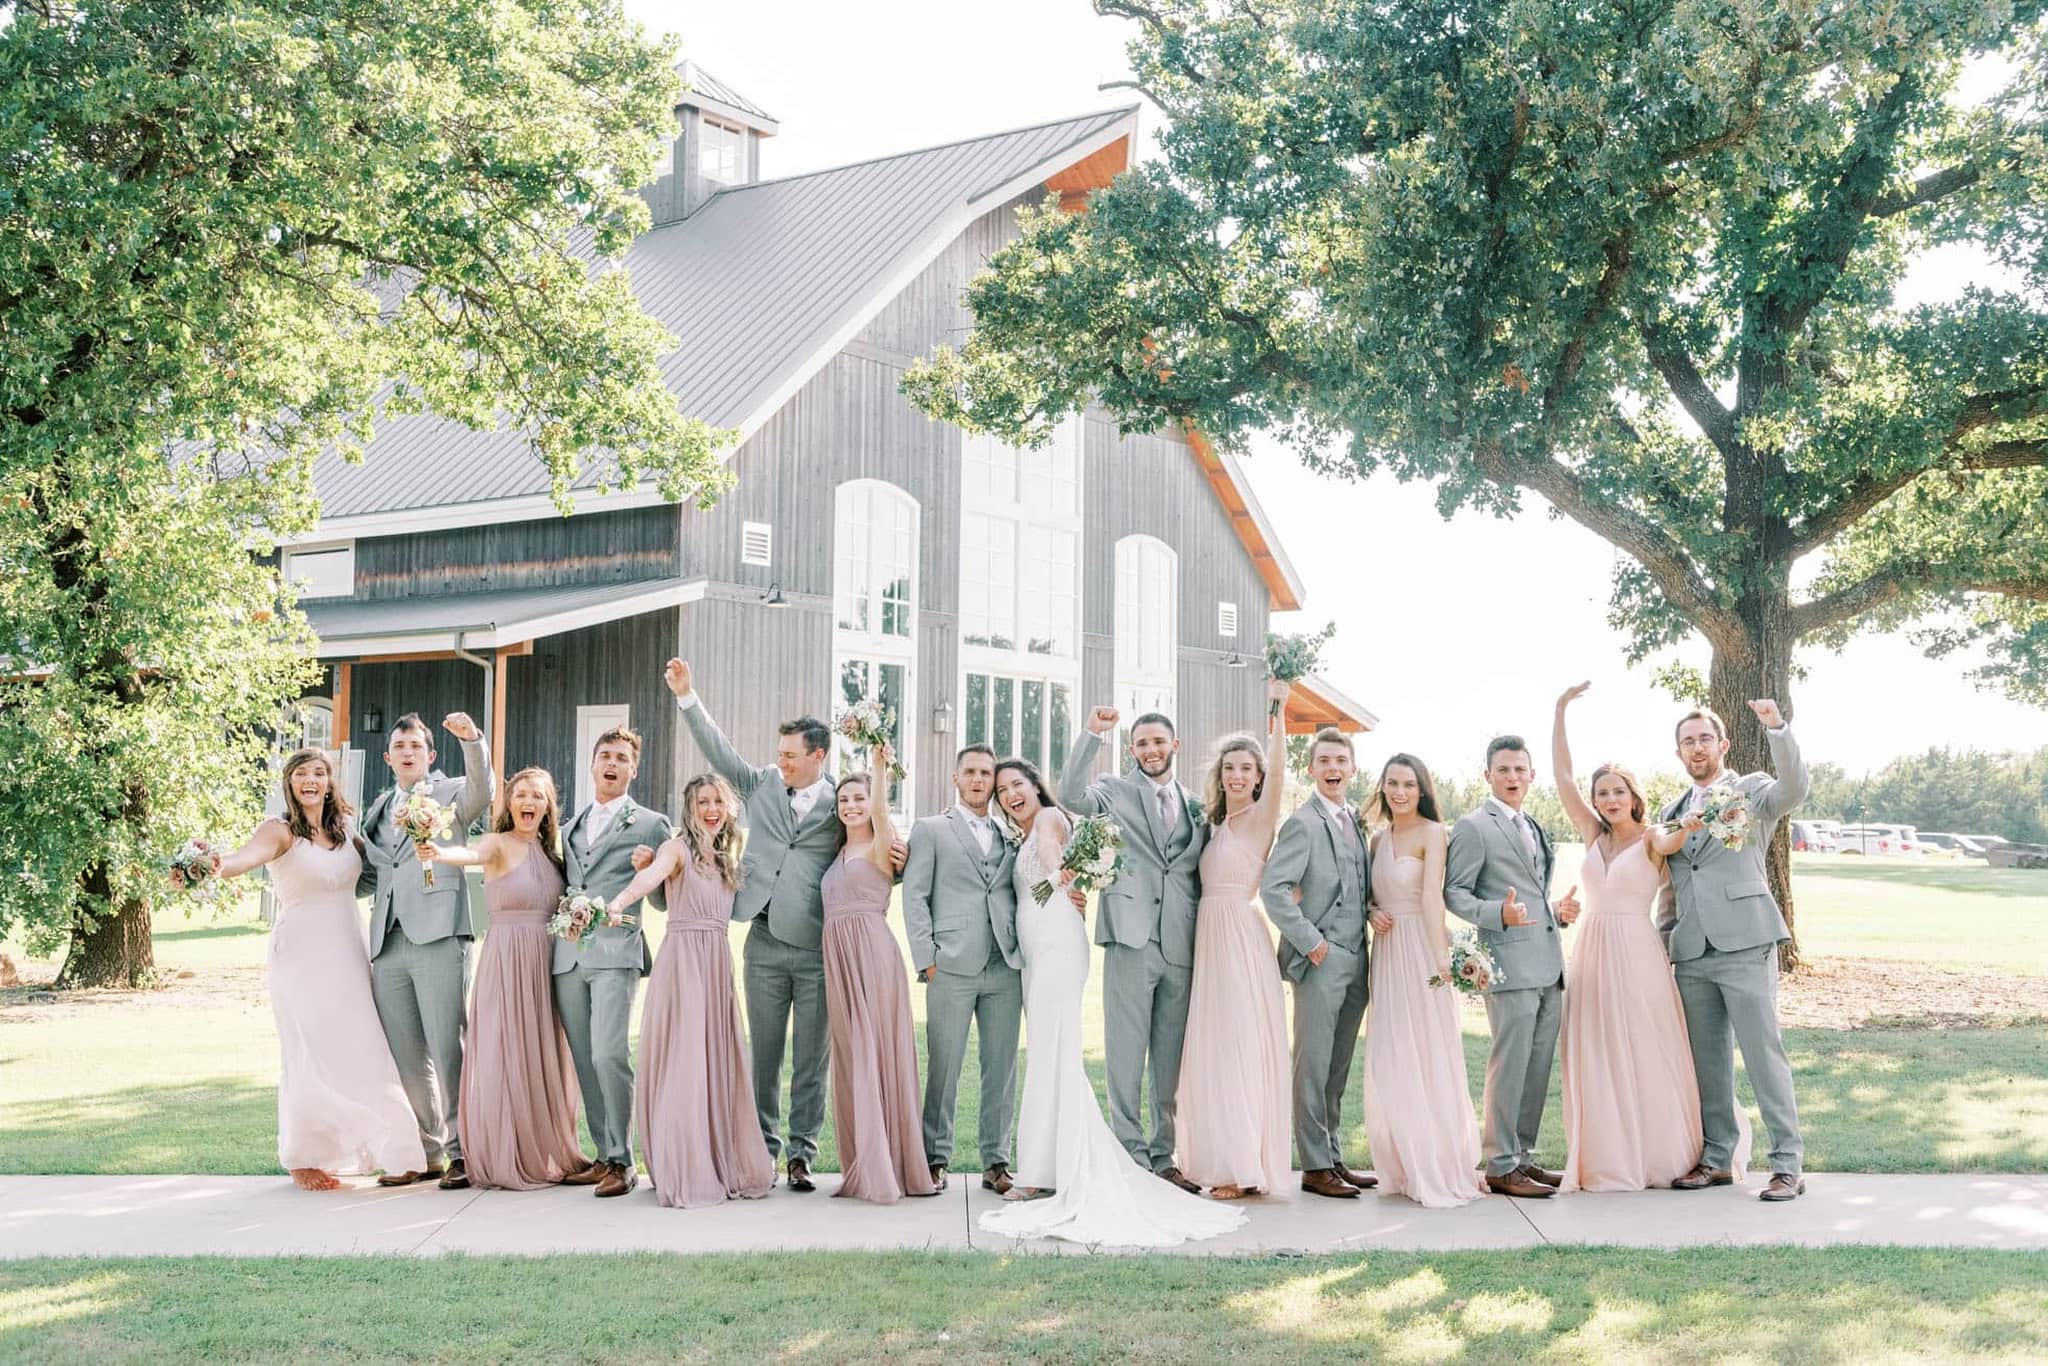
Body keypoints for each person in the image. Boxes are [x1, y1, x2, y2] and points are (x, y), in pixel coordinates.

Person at [976, 759, 1244, 1248]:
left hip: (1056, 941)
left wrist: (1058, 878)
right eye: (1002, 791)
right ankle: (1048, 1163)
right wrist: (1063, 883)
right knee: (1048, 1052)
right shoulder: (1022, 833)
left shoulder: (1047, 819)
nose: (1010, 794)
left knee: (1054, 1053)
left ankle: (1041, 1172)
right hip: (1038, 947)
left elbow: (1052, 853)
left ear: (1036, 786)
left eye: (1018, 784)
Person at [665, 658, 905, 1192]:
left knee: (811, 1061)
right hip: (763, 941)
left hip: (817, 948)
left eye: (791, 756)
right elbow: (719, 751)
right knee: (765, 1056)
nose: (782, 762)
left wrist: (900, 853)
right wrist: (687, 696)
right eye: (780, 754)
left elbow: (871, 848)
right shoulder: (761, 785)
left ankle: (802, 1155)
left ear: (819, 756)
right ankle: (763, 1152)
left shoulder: (843, 802)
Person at [1552, 683, 1752, 1192]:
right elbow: (1562, 779)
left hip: (1637, 952)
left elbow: (1671, 837)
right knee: (1597, 1050)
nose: (1610, 800)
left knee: (1645, 1047)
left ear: (1634, 796)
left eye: (1618, 791)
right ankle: (1607, 1153)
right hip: (1591, 952)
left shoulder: (1651, 836)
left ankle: (1661, 1152)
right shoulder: (1592, 835)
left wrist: (1689, 825)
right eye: (1602, 793)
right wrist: (1560, 711)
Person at [200, 750, 426, 1190]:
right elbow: (242, 859)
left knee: (364, 1045)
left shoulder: (345, 831)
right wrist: (209, 866)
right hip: (300, 955)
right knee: (310, 1051)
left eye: (319, 773)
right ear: (289, 782)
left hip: (348, 951)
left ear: (329, 782)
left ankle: (396, 1150)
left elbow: (386, 866)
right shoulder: (279, 830)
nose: (310, 780)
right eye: (301, 773)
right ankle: (304, 1156)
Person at [1656, 699, 1810, 1201]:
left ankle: (1787, 1165)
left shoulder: (1752, 791)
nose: (1697, 747)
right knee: (1708, 1063)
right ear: (1678, 752)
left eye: (1705, 738)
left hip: (1746, 943)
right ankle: (1717, 1157)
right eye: (1688, 741)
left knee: (1763, 1055)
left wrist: (1777, 729)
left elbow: (1795, 789)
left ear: (1722, 745)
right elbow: (1671, 887)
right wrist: (1663, 942)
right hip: (1692, 951)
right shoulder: (1670, 813)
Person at [607, 773, 775, 1209]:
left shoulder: (726, 857)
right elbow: (652, 878)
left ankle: (718, 1157)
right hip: (683, 964)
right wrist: (620, 901)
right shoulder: (676, 848)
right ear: (690, 807)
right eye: (703, 801)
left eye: (718, 801)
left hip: (716, 964)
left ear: (729, 809)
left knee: (714, 1062)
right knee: (684, 1062)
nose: (711, 809)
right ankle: (683, 1163)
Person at [1056, 707, 1207, 1192]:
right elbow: (1070, 795)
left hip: (1181, 942)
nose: (1151, 750)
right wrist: (1092, 734)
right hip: (1130, 936)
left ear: (1175, 745)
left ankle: (1164, 1156)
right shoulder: (1114, 791)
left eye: (1158, 741)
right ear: (1132, 749)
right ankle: (1130, 1155)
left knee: (1168, 1058)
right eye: (1142, 743)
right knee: (1125, 1054)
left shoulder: (1196, 805)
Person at [419, 769, 587, 1191]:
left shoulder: (552, 854)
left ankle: (545, 1149)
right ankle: (503, 1152)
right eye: (521, 795)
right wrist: (439, 853)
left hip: (546, 964)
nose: (529, 802)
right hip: (507, 960)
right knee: (505, 1051)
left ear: (548, 807)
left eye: (538, 796)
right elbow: (469, 853)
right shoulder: (497, 843)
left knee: (541, 1055)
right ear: (510, 803)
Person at [356, 711, 496, 1190]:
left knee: (447, 1047)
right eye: (400, 746)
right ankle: (427, 1152)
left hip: (440, 934)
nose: (408, 753)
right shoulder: (378, 808)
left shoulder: (450, 793)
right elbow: (372, 872)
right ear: (387, 757)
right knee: (407, 1056)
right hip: (388, 941)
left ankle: (463, 1152)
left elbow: (483, 791)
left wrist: (472, 741)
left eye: (416, 746)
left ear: (430, 754)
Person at [1174, 680, 1294, 1199]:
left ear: (1258, 776)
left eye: (1247, 768)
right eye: (1230, 768)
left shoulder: (1260, 819)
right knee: (1214, 1048)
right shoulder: (1214, 822)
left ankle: (1244, 1168)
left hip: (1241, 939)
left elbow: (1282, 769)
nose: (1237, 775)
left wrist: (1278, 712)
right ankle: (1215, 1156)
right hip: (1209, 940)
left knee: (1241, 1045)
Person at [1445, 734, 1576, 1199]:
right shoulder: (1473, 827)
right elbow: (1454, 893)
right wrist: (1497, 913)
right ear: (1488, 775)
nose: (1513, 777)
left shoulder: (1533, 825)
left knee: (1536, 1067)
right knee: (1510, 1065)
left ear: (1532, 775)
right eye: (1503, 769)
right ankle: (1500, 1163)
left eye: (1520, 769)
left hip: (1548, 964)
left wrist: (1555, 911)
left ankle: (1523, 1156)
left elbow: (1532, 893)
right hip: (1506, 966)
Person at [553, 726, 675, 1199]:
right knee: (585, 1060)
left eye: (622, 758)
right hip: (568, 957)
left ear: (633, 770)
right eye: (605, 755)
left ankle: (624, 1162)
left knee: (609, 1054)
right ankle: (604, 1154)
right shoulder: (569, 827)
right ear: (592, 763)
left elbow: (663, 898)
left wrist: (648, 868)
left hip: (617, 953)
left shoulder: (651, 824)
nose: (612, 763)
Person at [1360, 754, 1487, 1207]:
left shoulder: (1434, 833)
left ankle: (1438, 1164)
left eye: (1409, 784)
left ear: (1421, 790)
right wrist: (1371, 912)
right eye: (1393, 783)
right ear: (1383, 787)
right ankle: (1403, 1162)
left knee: (1429, 1051)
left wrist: (1441, 961)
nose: (1400, 792)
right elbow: (1369, 895)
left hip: (1422, 951)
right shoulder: (1378, 839)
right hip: (1387, 954)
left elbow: (1432, 897)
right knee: (1392, 1055)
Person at [1261, 726, 1378, 1199]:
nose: (1333, 768)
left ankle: (1332, 1154)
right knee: (1311, 1064)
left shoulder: (1356, 821)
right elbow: (1273, 889)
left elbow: (1358, 885)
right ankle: (1313, 1166)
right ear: (1311, 769)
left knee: (1337, 1065)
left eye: (1341, 761)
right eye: (1324, 761)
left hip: (1357, 958)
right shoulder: (1302, 823)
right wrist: (1311, 941)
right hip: (1320, 959)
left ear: (1353, 769)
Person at [902, 743, 1024, 1195]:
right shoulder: (931, 829)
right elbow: (914, 895)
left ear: (994, 781)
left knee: (1002, 1067)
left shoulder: (1012, 833)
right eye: (969, 772)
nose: (977, 780)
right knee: (945, 1065)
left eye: (985, 773)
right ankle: (935, 1159)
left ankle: (997, 1161)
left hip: (1004, 965)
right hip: (950, 966)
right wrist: (927, 960)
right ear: (956, 778)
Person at [818, 752, 939, 1203]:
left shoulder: (882, 844)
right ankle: (863, 1160)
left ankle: (888, 1165)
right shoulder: (837, 852)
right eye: (844, 800)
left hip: (871, 954)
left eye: (859, 798)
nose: (851, 806)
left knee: (875, 1050)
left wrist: (878, 766)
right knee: (852, 1054)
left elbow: (883, 814)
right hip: (838, 959)